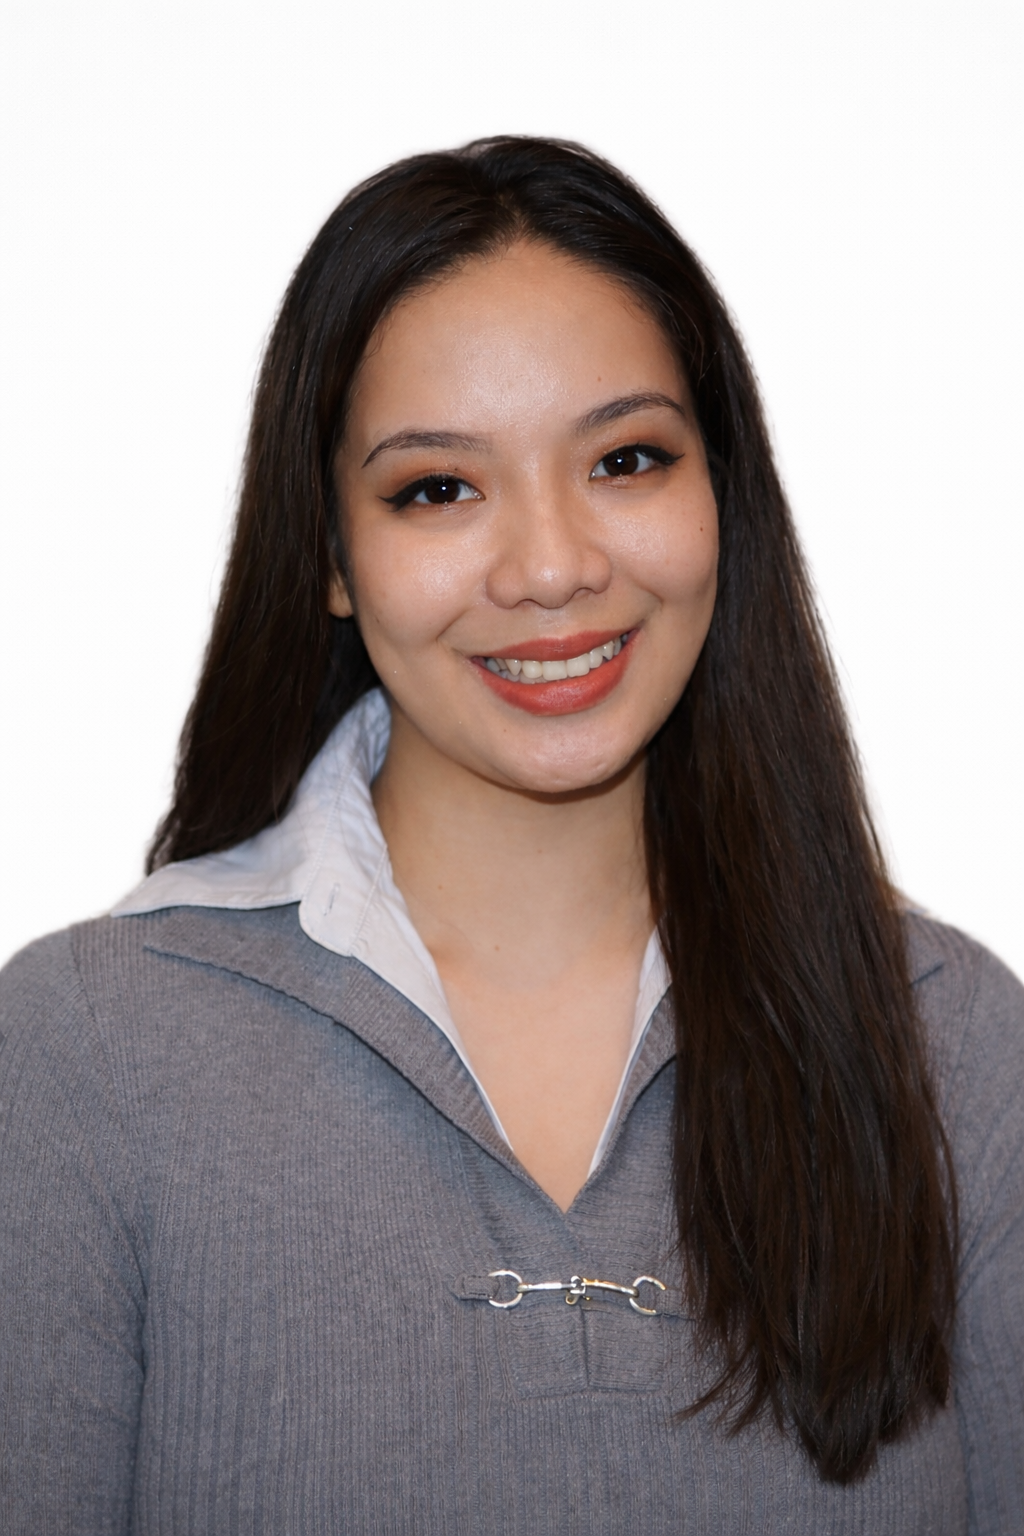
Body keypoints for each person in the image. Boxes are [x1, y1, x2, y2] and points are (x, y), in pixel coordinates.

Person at [1, 136, 1021, 1535]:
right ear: (331, 559)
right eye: (438, 487)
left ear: (723, 498)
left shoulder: (954, 1042)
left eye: (626, 459)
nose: (551, 566)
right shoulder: (84, 1055)